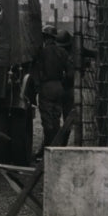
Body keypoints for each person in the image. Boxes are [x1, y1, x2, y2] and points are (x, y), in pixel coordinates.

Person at [34, 25, 72, 159]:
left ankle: (49, 152)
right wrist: (62, 83)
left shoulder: (41, 52)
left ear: (45, 38)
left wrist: (37, 89)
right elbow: (70, 74)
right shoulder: (63, 52)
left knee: (47, 122)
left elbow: (36, 73)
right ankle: (56, 149)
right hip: (59, 87)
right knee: (56, 120)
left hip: (47, 88)